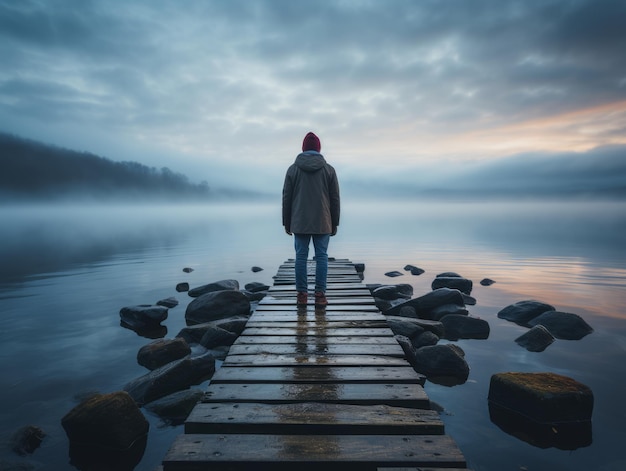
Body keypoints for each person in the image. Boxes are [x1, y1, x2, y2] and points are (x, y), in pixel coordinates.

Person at [282, 132, 340, 307]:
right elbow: (335, 198)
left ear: (303, 148)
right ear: (319, 149)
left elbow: (286, 197)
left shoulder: (293, 169)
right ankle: (320, 296)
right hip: (323, 220)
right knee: (321, 256)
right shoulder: (329, 169)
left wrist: (287, 222)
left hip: (299, 221)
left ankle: (302, 295)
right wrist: (335, 223)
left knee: (301, 256)